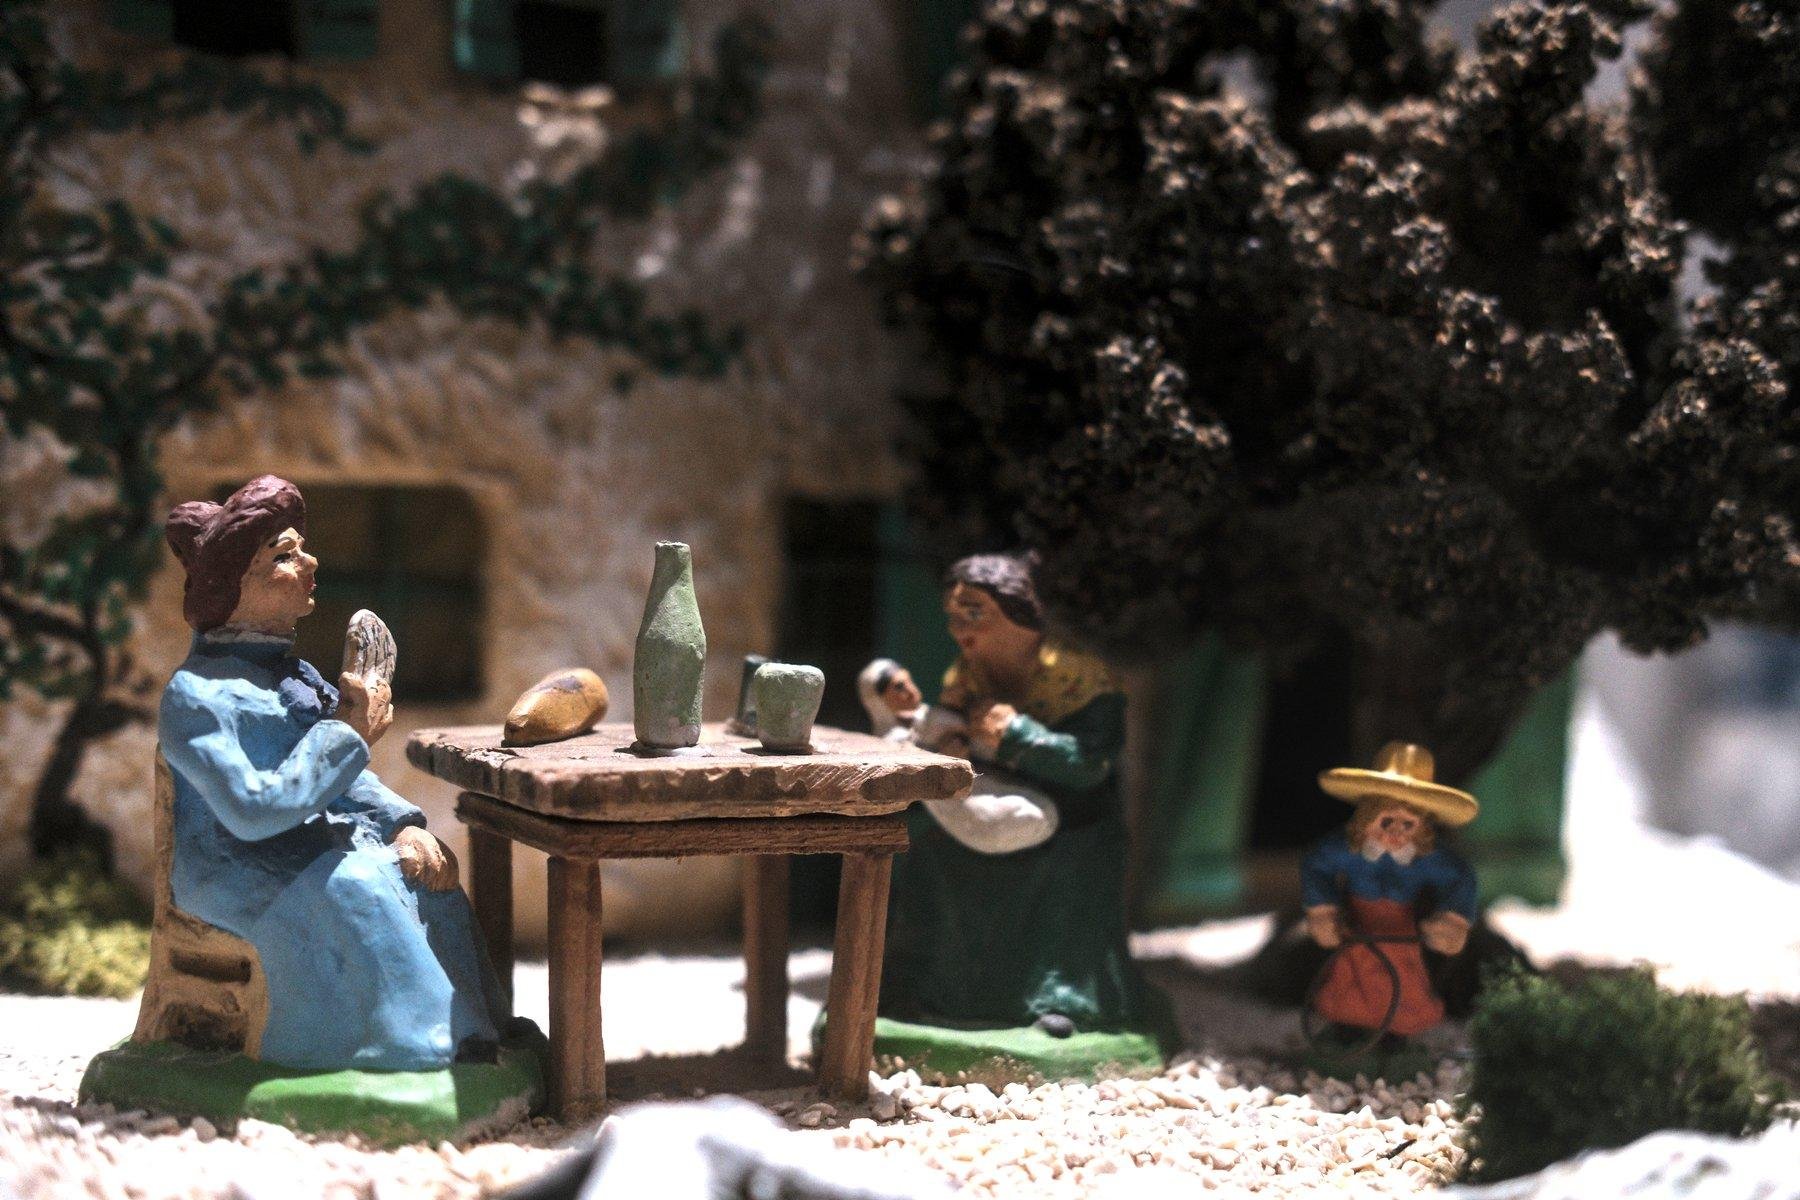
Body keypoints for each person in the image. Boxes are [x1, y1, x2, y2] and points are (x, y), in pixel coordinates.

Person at [158, 476, 508, 1071]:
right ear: (233, 588)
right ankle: (398, 1039)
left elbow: (346, 782)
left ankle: (474, 1024)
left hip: (308, 841)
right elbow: (250, 810)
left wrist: (400, 824)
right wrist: (345, 735)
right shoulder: (197, 698)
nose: (311, 561)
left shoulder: (293, 676)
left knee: (426, 870)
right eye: (285, 555)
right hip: (234, 865)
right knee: (360, 885)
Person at [880, 554, 1153, 1038]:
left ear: (1019, 614)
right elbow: (949, 728)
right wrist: (949, 740)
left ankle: (1060, 997)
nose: (959, 627)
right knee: (929, 846)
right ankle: (932, 988)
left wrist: (1020, 736)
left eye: (975, 612)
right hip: (996, 799)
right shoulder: (966, 675)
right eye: (953, 614)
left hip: (1076, 818)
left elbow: (1090, 765)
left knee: (1054, 867)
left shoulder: (1084, 683)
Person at [1301, 742, 1479, 1041]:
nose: (1395, 833)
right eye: (1386, 821)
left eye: (1407, 824)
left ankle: (1396, 1037)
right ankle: (1347, 1030)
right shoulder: (1346, 849)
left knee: (1403, 983)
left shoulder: (1427, 858)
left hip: (1402, 933)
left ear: (1421, 827)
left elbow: (1460, 876)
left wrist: (1454, 920)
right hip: (1356, 928)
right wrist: (1322, 911)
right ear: (1367, 817)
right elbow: (1316, 864)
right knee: (1349, 979)